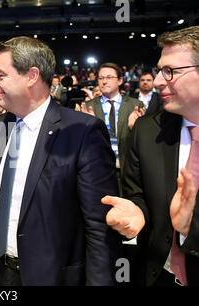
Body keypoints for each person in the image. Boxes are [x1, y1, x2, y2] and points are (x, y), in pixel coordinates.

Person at [0, 36, 122, 285]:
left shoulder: (82, 132)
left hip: (51, 277)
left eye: (1, 75)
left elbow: (99, 229)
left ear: (32, 76)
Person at [102, 25, 199, 286]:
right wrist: (137, 212)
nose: (157, 81)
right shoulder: (147, 131)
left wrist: (191, 228)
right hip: (157, 275)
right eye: (159, 71)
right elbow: (138, 194)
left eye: (171, 71)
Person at [81, 62, 144, 194]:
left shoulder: (135, 105)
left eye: (109, 77)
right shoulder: (88, 106)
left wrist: (136, 128)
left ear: (120, 80)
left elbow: (144, 142)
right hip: (99, 170)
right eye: (101, 78)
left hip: (129, 169)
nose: (104, 82)